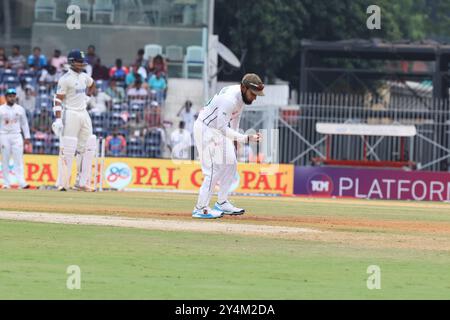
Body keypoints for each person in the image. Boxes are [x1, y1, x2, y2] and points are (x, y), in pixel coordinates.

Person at [192, 73, 264, 219]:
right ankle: (200, 208)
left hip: (218, 131)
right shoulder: (230, 99)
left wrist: (235, 140)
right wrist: (245, 138)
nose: (255, 98)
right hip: (205, 129)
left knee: (231, 162)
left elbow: (235, 119)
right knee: (213, 169)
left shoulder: (241, 98)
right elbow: (222, 128)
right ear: (244, 88)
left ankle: (222, 202)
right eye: (253, 94)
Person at [51, 49, 97, 192]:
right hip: (70, 113)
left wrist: (88, 97)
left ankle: (81, 182)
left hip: (84, 113)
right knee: (68, 148)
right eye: (79, 62)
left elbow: (93, 84)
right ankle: (62, 183)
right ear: (71, 62)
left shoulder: (84, 77)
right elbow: (57, 99)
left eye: (82, 62)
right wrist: (58, 119)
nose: (81, 64)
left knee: (88, 146)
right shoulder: (65, 79)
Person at [0, 88, 31, 189]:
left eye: (13, 96)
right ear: (6, 97)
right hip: (4, 135)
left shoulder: (20, 109)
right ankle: (6, 183)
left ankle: (22, 182)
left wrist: (27, 137)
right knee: (5, 160)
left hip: (17, 135)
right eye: (9, 96)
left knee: (18, 160)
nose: (12, 98)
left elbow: (24, 123)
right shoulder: (1, 109)